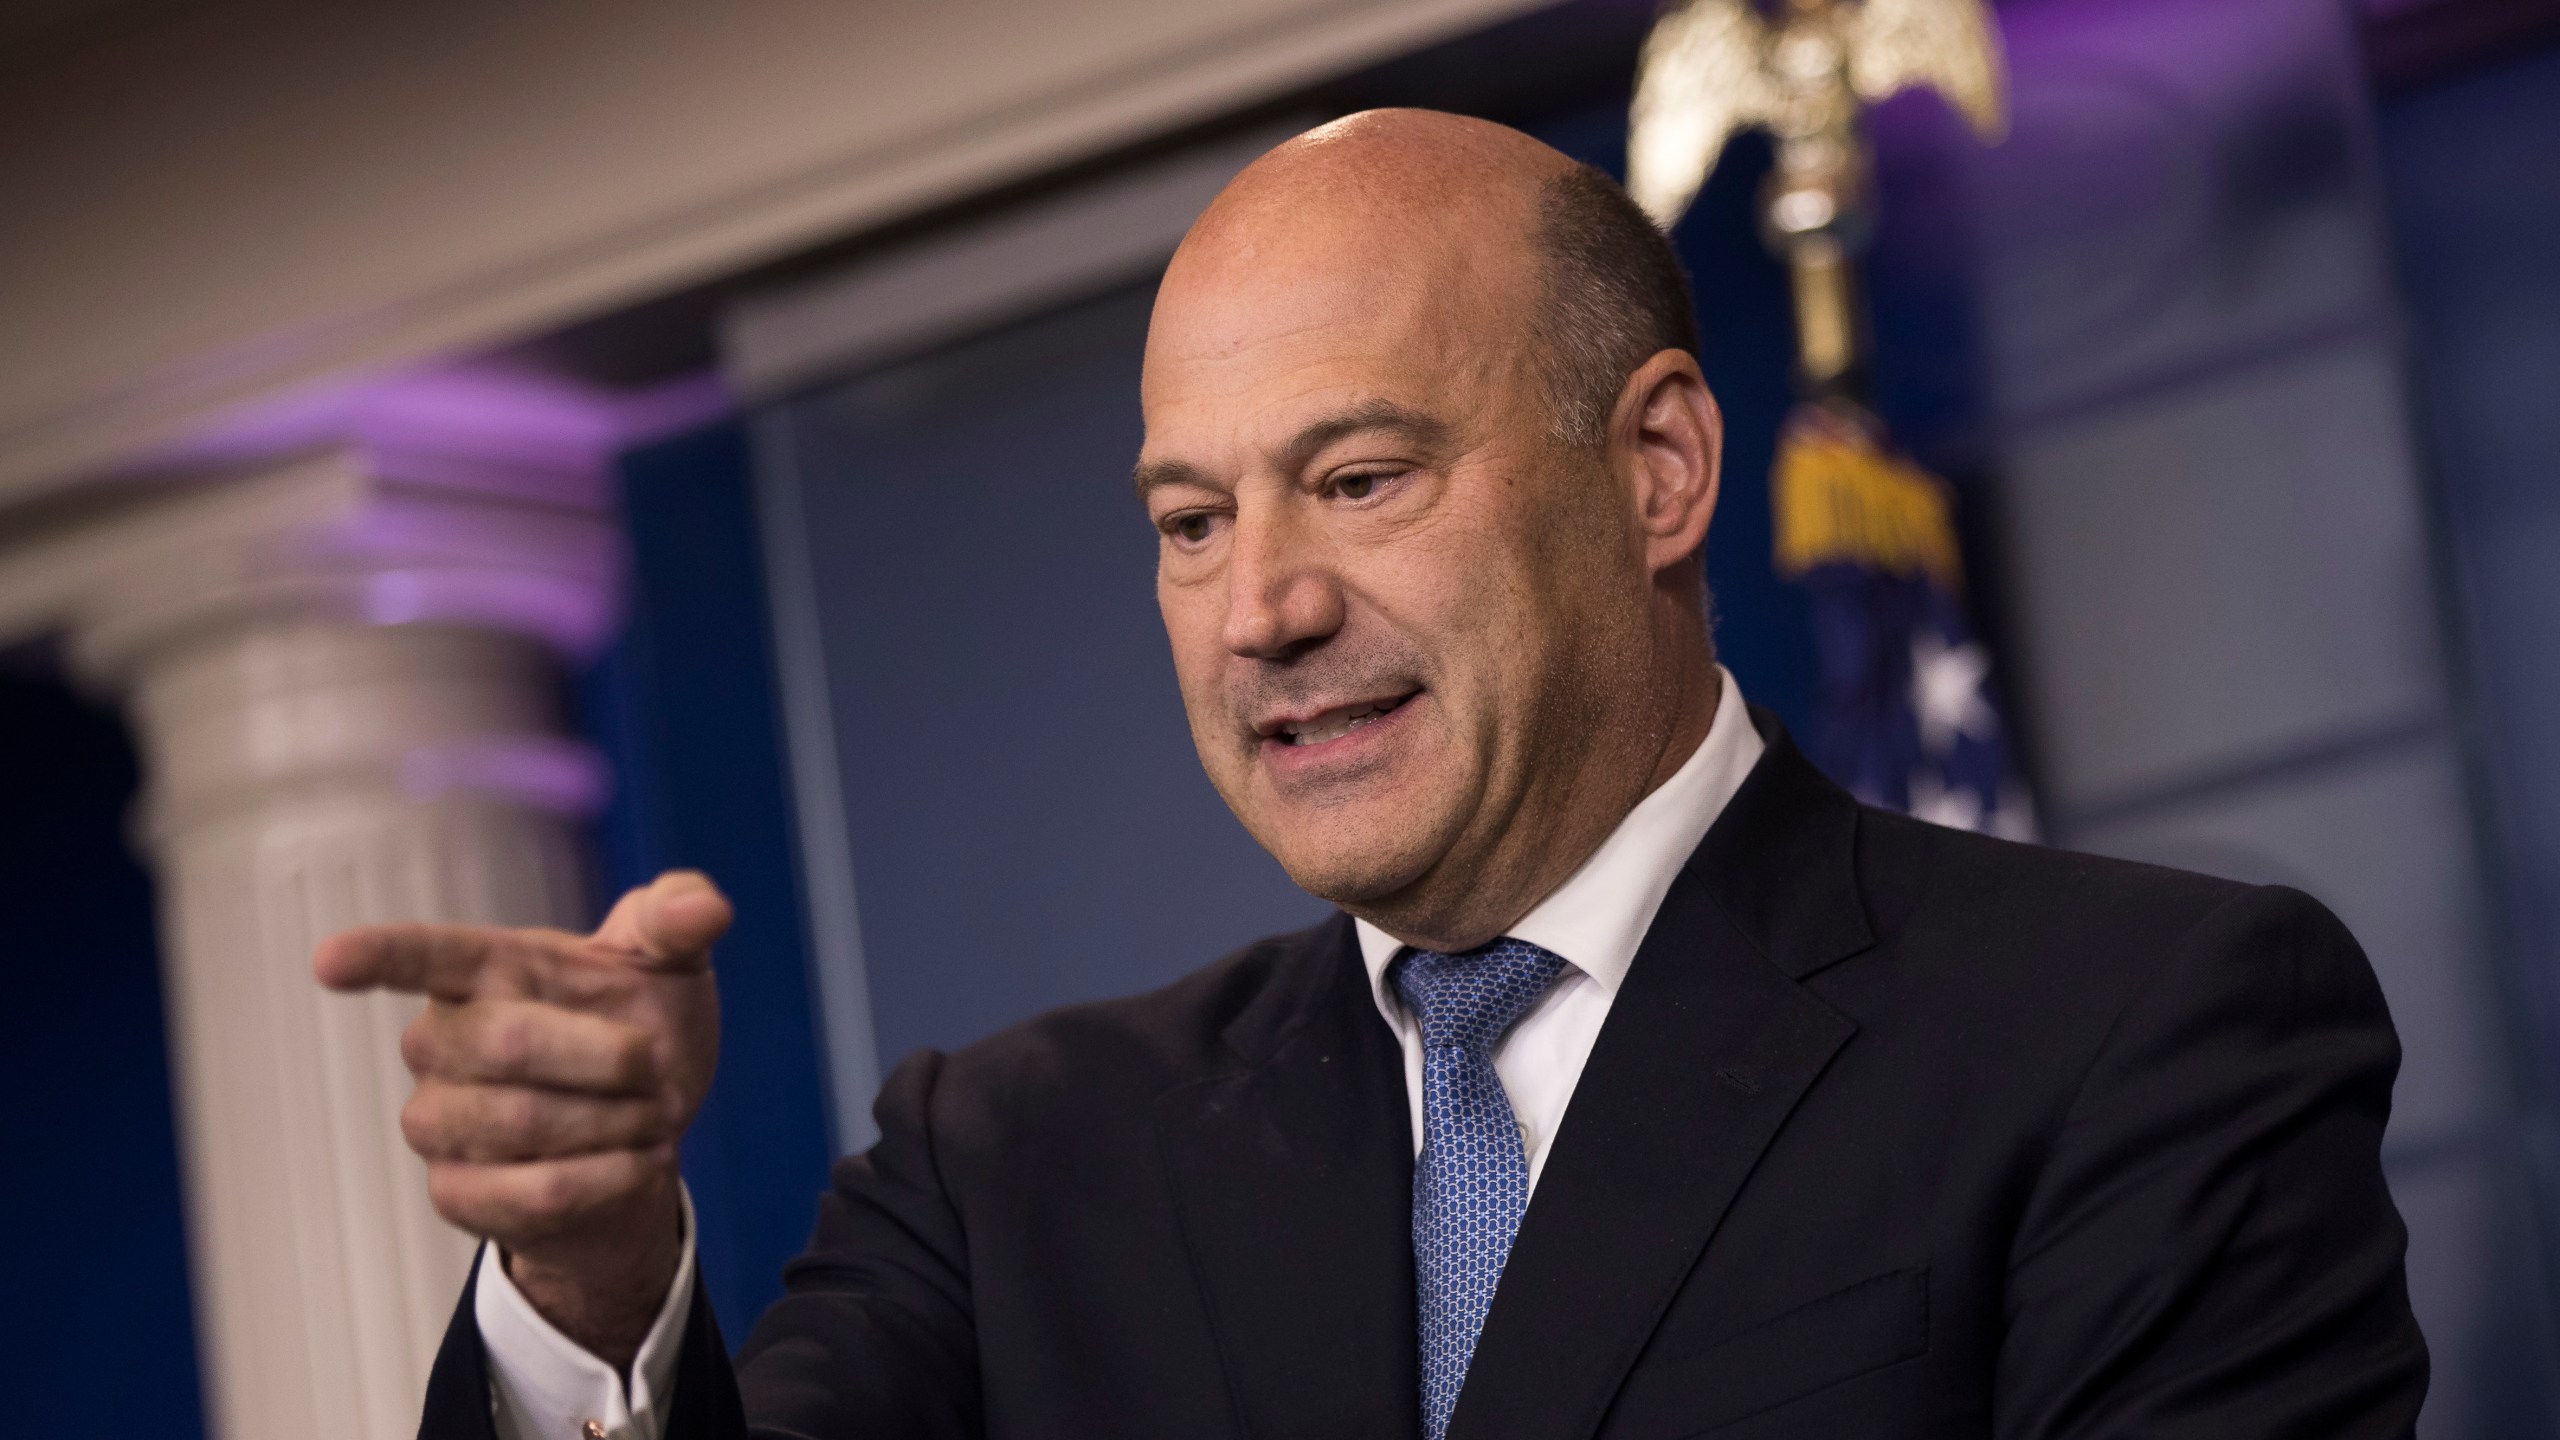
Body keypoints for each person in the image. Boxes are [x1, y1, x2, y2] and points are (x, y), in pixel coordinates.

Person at [317, 109, 2428, 1440]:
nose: (1260, 610)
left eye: (1353, 477)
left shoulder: (2136, 1030)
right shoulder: (1008, 1162)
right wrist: (587, 1288)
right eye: (1187, 521)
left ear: (1659, 469)